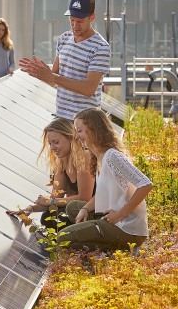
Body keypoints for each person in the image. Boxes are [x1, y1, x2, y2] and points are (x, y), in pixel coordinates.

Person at [59, 108, 153, 252]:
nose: (76, 137)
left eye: (79, 131)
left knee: (63, 238)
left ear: (93, 130)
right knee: (73, 208)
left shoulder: (113, 157)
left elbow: (145, 184)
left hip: (128, 229)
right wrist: (85, 209)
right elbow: (104, 193)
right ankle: (106, 239)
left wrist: (121, 214)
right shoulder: (99, 157)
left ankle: (118, 250)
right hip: (111, 218)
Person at [19, 0, 111, 121]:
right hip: (61, 117)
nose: (75, 25)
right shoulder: (64, 39)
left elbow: (89, 89)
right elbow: (54, 79)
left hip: (85, 123)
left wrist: (52, 76)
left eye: (80, 21)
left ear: (92, 18)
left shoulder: (101, 47)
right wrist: (39, 74)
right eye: (72, 20)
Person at [6, 117, 95, 228]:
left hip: (96, 211)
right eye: (50, 143)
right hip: (78, 211)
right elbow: (56, 199)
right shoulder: (62, 163)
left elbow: (84, 198)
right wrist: (30, 208)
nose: (52, 147)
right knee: (48, 216)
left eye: (56, 142)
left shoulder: (84, 157)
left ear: (70, 138)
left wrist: (49, 201)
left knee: (60, 218)